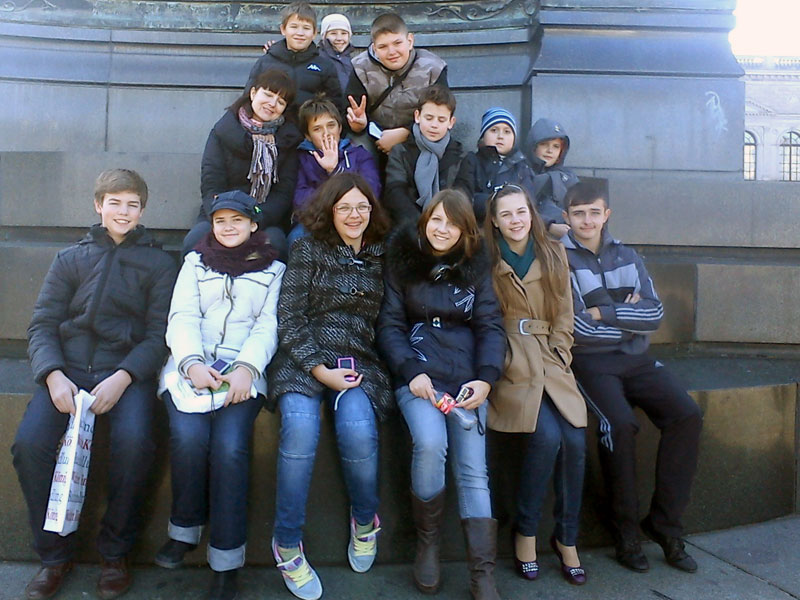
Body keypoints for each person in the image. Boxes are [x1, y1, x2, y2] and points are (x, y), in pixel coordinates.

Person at [12, 169, 177, 600]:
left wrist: (124, 377)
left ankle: (115, 553)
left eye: (132, 205)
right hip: (66, 371)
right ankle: (54, 557)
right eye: (115, 202)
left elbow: (158, 335)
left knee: (136, 444)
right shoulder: (71, 259)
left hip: (124, 374)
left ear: (142, 211)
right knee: (28, 446)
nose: (123, 212)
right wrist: (52, 375)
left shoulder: (160, 264)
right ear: (98, 205)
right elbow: (42, 324)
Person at [561, 180, 703, 574]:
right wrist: (628, 320)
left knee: (687, 414)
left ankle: (665, 525)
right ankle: (625, 533)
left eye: (594, 212)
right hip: (591, 363)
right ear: (566, 217)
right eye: (578, 213)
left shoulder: (627, 255)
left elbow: (654, 314)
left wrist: (603, 313)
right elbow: (577, 328)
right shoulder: (559, 259)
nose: (587, 220)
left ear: (606, 214)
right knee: (619, 425)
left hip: (637, 360)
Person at [267, 173, 392, 600]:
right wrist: (320, 370)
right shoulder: (307, 247)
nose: (354, 215)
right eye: (345, 208)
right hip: (304, 357)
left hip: (359, 360)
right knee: (300, 430)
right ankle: (287, 541)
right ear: (330, 211)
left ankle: (365, 521)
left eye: (362, 207)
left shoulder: (381, 253)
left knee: (358, 429)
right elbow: (290, 317)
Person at [153, 191, 284, 600]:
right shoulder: (195, 262)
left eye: (237, 220)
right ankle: (184, 530)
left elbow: (268, 325)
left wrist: (246, 368)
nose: (228, 227)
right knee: (189, 437)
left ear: (253, 225)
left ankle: (226, 561)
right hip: (192, 366)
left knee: (229, 448)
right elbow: (182, 315)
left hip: (242, 372)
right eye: (220, 220)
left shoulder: (273, 269)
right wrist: (191, 363)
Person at [377, 189, 506, 600]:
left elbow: (491, 326)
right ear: (424, 221)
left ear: (466, 230)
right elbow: (389, 325)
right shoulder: (403, 261)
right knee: (431, 443)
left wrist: (486, 379)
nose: (442, 229)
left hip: (467, 380)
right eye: (436, 219)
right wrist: (410, 371)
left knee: (473, 470)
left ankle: (482, 572)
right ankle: (428, 544)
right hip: (418, 378)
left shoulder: (477, 266)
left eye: (452, 223)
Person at [484, 185, 588, 586]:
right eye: (506, 214)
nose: (515, 220)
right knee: (546, 436)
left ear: (531, 214)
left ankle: (567, 538)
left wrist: (561, 351)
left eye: (521, 212)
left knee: (575, 439)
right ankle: (525, 533)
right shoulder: (487, 258)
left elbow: (565, 312)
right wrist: (501, 360)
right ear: (495, 221)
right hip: (510, 358)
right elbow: (484, 318)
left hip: (549, 355)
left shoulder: (554, 252)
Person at [185, 69, 302, 258]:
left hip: (263, 216)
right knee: (194, 242)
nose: (272, 104)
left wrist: (253, 219)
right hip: (221, 211)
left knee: (276, 245)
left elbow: (283, 193)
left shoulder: (288, 140)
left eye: (281, 101)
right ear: (253, 93)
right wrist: (228, 220)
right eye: (268, 94)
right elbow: (211, 182)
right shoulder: (223, 131)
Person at [346, 12, 448, 158]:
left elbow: (441, 112)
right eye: (383, 47)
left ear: (410, 41)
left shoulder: (434, 68)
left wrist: (406, 132)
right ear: (374, 48)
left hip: (418, 136)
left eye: (397, 43)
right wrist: (359, 125)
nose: (392, 52)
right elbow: (349, 110)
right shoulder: (360, 68)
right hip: (375, 138)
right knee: (357, 146)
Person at [290, 97, 381, 244]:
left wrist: (335, 170)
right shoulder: (302, 158)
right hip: (316, 221)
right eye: (317, 129)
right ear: (308, 136)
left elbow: (372, 191)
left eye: (331, 125)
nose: (326, 133)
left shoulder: (360, 154)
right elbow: (300, 200)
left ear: (339, 128)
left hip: (355, 218)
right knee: (297, 237)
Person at [245, 2, 345, 118]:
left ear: (314, 33)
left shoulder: (325, 66)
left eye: (306, 28)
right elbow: (247, 100)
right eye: (294, 27)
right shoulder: (265, 62)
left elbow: (335, 106)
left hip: (306, 127)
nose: (300, 33)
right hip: (271, 126)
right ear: (283, 29)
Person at [383, 86, 463, 225]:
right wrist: (420, 225)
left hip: (448, 225)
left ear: (451, 122)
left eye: (441, 120)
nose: (434, 125)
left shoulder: (461, 156)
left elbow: (463, 196)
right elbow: (395, 192)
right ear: (417, 116)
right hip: (410, 225)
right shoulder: (400, 151)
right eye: (429, 118)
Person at [454, 107, 537, 223]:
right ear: (483, 136)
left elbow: (529, 202)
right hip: (479, 226)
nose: (500, 136)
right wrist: (496, 202)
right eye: (494, 130)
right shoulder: (472, 161)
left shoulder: (522, 166)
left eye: (507, 132)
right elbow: (463, 198)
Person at [524, 118, 578, 238]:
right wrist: (549, 226)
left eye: (556, 146)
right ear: (533, 146)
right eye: (544, 144)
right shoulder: (521, 172)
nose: (550, 151)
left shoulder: (568, 177)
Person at [319, 13, 355, 94]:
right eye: (333, 33)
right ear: (324, 36)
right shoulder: (318, 59)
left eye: (344, 33)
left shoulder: (354, 61)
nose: (339, 38)